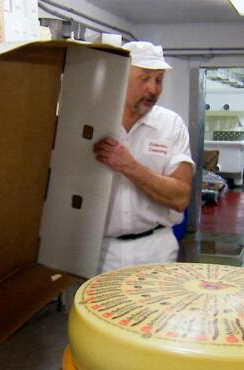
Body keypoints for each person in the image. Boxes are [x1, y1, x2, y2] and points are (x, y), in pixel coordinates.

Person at [93, 41, 194, 273]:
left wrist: (130, 167)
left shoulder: (171, 125)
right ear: (120, 77)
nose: (153, 89)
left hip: (155, 249)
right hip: (98, 251)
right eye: (145, 78)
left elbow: (181, 197)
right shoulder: (92, 121)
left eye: (159, 80)